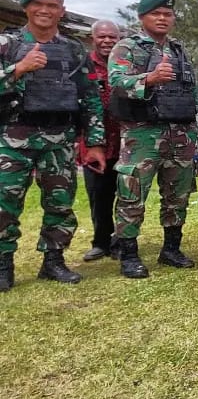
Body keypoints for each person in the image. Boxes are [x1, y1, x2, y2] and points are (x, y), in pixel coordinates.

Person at [0, 0, 106, 289]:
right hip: (13, 137)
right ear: (26, 8)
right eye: (39, 4)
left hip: (60, 139)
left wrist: (95, 143)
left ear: (61, 11)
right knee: (4, 202)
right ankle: (4, 265)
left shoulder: (74, 50)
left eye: (53, 6)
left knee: (60, 203)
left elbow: (90, 97)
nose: (45, 10)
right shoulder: (7, 45)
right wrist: (18, 69)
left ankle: (54, 260)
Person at [109, 0, 198, 278]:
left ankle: (171, 248)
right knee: (132, 194)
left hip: (180, 133)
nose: (163, 18)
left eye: (167, 14)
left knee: (178, 195)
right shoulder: (127, 48)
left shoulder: (178, 50)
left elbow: (191, 91)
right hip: (142, 134)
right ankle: (129, 254)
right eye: (156, 13)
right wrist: (149, 78)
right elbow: (116, 83)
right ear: (142, 17)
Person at [79, 19, 122, 262]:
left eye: (112, 37)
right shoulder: (84, 65)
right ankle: (101, 241)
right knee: (98, 194)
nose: (107, 41)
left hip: (124, 141)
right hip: (94, 144)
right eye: (102, 37)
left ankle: (120, 240)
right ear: (93, 39)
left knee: (125, 194)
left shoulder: (127, 65)